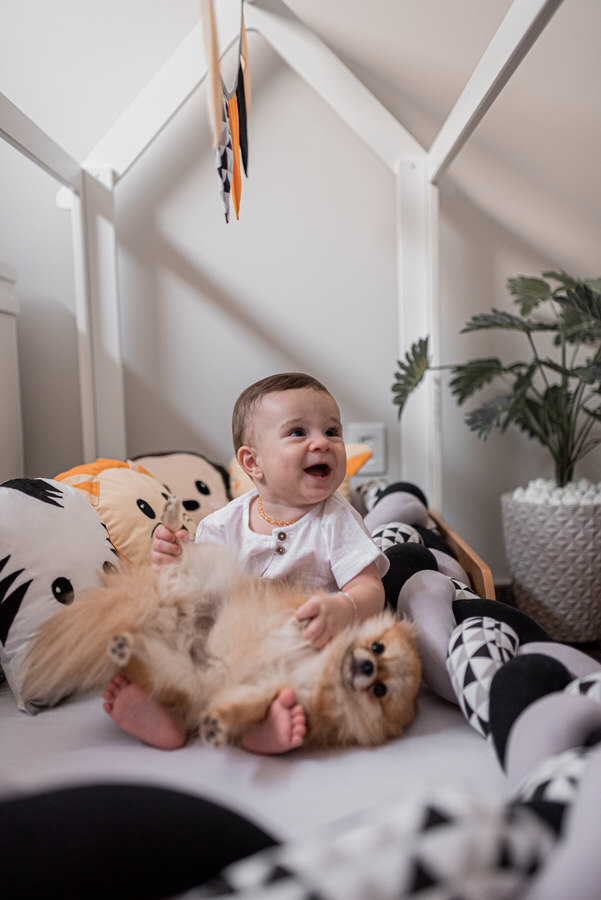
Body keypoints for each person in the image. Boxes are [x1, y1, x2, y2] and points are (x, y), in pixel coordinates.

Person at [104, 373, 388, 753]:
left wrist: (344, 608)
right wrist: (171, 562)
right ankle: (165, 705)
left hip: (296, 648)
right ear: (253, 462)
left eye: (332, 431)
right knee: (170, 630)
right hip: (226, 644)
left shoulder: (336, 518)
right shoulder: (223, 524)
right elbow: (200, 592)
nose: (322, 442)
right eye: (298, 432)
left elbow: (370, 588)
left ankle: (262, 719)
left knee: (324, 675)